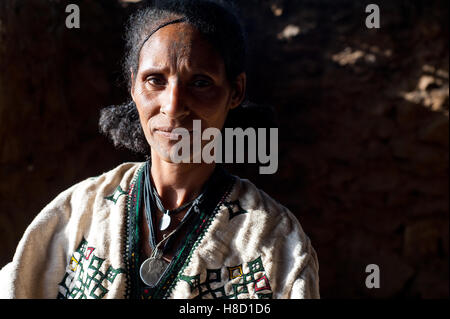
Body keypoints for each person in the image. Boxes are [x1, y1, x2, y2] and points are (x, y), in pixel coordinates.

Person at [0, 0, 319, 299]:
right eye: (155, 80)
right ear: (133, 86)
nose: (174, 105)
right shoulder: (74, 216)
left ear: (235, 92)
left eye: (200, 82)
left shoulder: (275, 241)